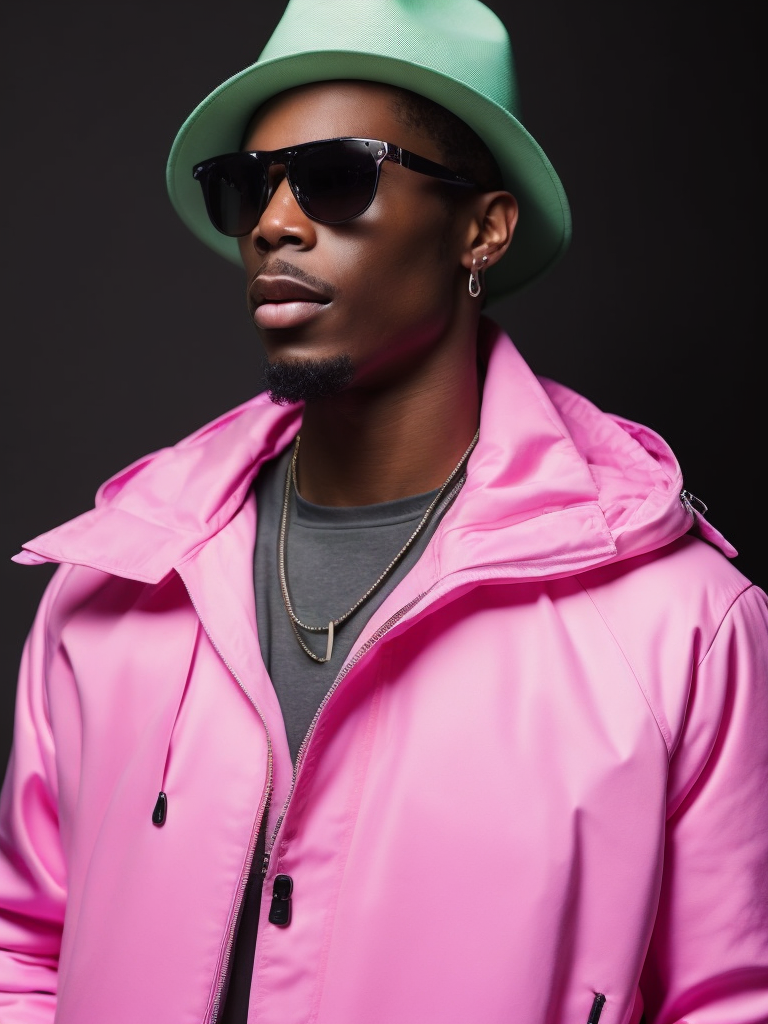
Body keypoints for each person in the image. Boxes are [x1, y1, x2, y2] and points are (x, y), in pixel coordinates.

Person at [1, 0, 766, 1021]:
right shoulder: (111, 590)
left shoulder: (685, 628)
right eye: (250, 186)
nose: (276, 221)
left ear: (482, 230)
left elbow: (727, 1000)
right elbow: (24, 950)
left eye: (334, 176)